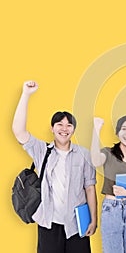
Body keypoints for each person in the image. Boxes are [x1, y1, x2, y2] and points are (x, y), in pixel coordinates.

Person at [12, 81, 97, 253]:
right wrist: (26, 95)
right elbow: (18, 130)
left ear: (73, 130)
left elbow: (90, 188)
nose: (64, 129)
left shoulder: (84, 155)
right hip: (49, 223)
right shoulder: (42, 150)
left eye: (69, 125)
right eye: (60, 124)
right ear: (52, 128)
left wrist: (93, 220)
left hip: (76, 225)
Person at [90, 115, 126, 253]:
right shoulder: (108, 153)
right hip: (111, 209)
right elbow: (95, 161)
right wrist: (96, 129)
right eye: (124, 129)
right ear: (117, 132)